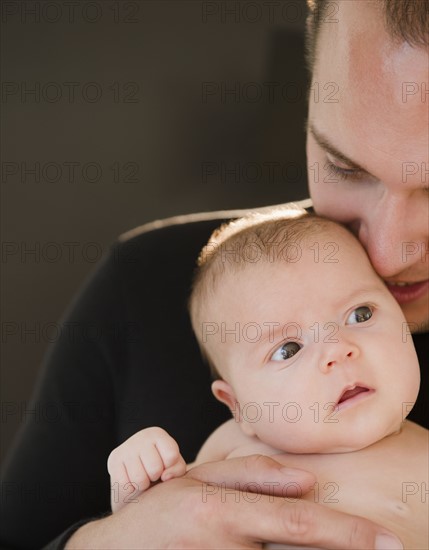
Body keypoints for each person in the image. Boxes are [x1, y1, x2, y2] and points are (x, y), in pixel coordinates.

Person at [1, 1, 427, 549]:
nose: (388, 255)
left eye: (362, 314)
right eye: (344, 167)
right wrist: (111, 537)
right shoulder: (147, 285)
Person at [106, 209, 428, 550]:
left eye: (360, 314)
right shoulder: (237, 451)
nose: (338, 349)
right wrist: (140, 479)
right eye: (288, 349)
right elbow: (165, 525)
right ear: (239, 407)